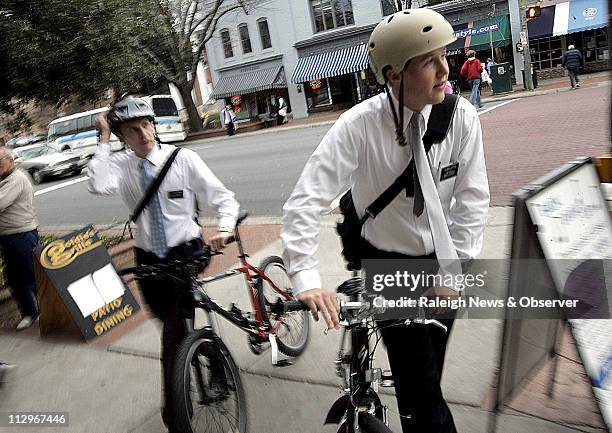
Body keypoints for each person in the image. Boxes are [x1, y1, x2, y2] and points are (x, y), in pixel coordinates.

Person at [281, 9, 489, 433]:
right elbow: (304, 202)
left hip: (441, 260)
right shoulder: (357, 128)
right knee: (422, 389)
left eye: (444, 55)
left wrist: (456, 269)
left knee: (430, 364)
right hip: (387, 264)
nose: (445, 69)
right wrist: (305, 277)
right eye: (429, 61)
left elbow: (472, 201)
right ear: (394, 74)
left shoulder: (462, 119)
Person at [88, 96, 239, 433]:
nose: (143, 134)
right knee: (171, 324)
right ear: (123, 136)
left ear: (155, 125)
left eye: (147, 125)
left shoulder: (183, 159)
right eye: (133, 129)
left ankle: (174, 414)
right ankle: (211, 354)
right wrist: (104, 138)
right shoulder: (122, 165)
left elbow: (222, 197)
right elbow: (97, 184)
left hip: (184, 253)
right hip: (148, 259)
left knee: (172, 335)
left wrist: (225, 229)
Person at [0, 147, 39, 331]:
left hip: (22, 236)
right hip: (9, 237)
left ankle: (48, 311)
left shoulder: (16, 179)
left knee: (31, 277)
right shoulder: (5, 179)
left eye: (0, 162)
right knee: (15, 279)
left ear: (11, 161)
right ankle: (29, 312)